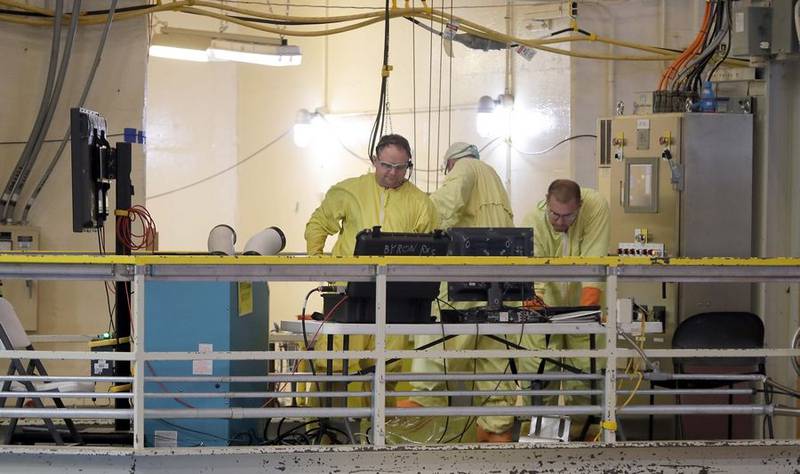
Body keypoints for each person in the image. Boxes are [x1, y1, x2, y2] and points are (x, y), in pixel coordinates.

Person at [304, 133, 438, 407]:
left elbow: (433, 249)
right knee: (332, 366)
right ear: (374, 160)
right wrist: (319, 265)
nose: (393, 173)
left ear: (408, 166)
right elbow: (318, 224)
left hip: (395, 302)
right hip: (348, 299)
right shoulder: (349, 191)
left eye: (401, 168)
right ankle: (321, 435)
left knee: (386, 373)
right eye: (387, 165)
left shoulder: (421, 203)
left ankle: (375, 440)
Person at [398, 142, 517, 443]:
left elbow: (443, 207)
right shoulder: (495, 180)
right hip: (499, 288)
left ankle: (399, 435)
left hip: (466, 283)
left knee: (433, 352)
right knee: (495, 377)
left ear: (449, 165)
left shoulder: (463, 169)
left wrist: (407, 219)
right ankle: (494, 447)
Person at [519, 179, 610, 437]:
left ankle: (582, 447)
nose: (559, 222)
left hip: (583, 306)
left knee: (585, 374)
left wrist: (584, 317)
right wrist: (539, 309)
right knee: (538, 373)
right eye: (554, 214)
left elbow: (595, 268)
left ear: (579, 206)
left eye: (568, 216)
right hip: (544, 308)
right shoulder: (533, 219)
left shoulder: (596, 208)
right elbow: (532, 282)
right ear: (546, 201)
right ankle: (540, 445)